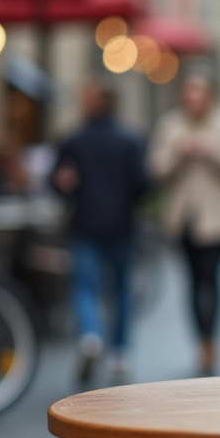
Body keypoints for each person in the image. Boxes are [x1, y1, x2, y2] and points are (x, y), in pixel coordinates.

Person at [149, 71, 220, 375]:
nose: (193, 101)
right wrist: (179, 152)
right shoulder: (170, 125)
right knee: (193, 282)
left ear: (210, 96)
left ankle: (212, 339)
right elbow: (155, 169)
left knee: (212, 279)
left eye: (199, 95)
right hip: (182, 219)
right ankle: (200, 339)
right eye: (188, 96)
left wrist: (213, 150)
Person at [51, 83, 148, 384]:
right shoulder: (130, 141)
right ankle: (120, 352)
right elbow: (143, 184)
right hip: (121, 225)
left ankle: (91, 334)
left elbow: (57, 182)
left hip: (85, 224)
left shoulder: (73, 141)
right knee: (119, 289)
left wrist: (65, 188)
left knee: (84, 286)